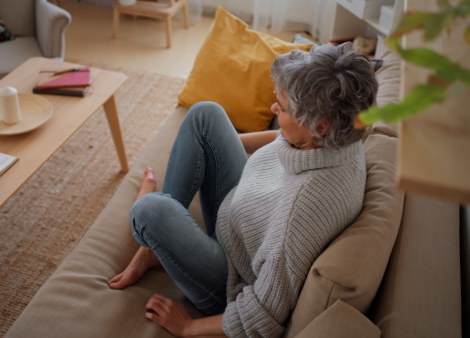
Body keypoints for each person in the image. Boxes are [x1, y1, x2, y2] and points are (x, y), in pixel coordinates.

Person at [108, 42, 378, 337]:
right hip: (240, 218)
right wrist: (218, 144)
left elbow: (264, 315)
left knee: (149, 211)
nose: (275, 108)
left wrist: (188, 327)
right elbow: (283, 135)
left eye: (283, 108)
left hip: (227, 279)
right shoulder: (343, 136)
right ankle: (153, 250)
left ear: (320, 126)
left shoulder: (303, 213)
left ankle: (152, 239)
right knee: (205, 115)